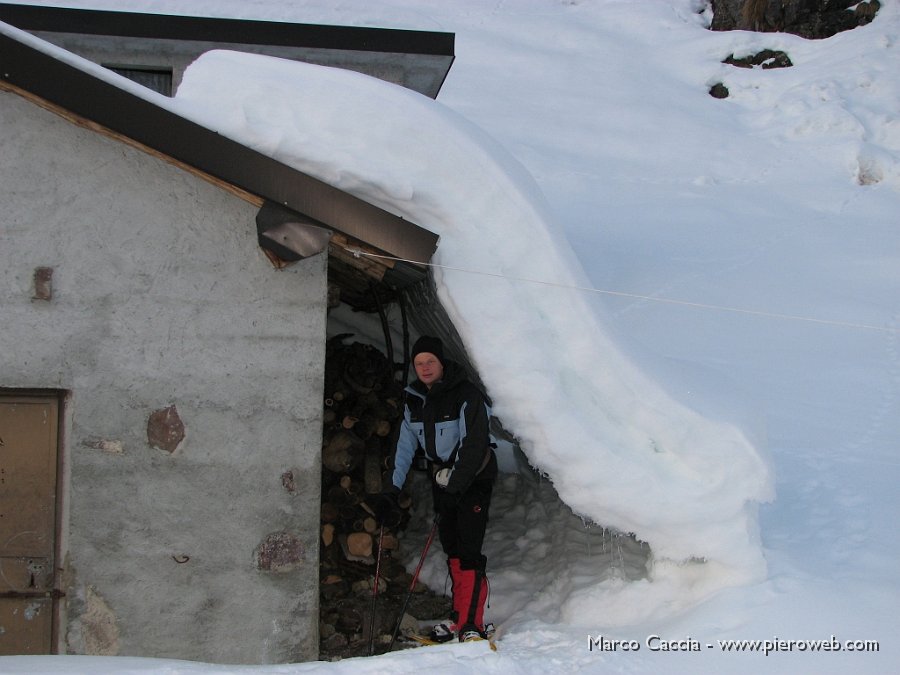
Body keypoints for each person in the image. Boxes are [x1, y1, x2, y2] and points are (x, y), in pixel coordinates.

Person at [375, 335, 497, 643]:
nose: (425, 368)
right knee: (453, 546)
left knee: (469, 549)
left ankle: (473, 624)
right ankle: (460, 618)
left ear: (442, 363)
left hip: (473, 479)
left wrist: (455, 484)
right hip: (443, 480)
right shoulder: (414, 399)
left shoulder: (465, 394)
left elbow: (474, 443)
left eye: (430, 361)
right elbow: (403, 448)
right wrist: (390, 491)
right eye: (419, 363)